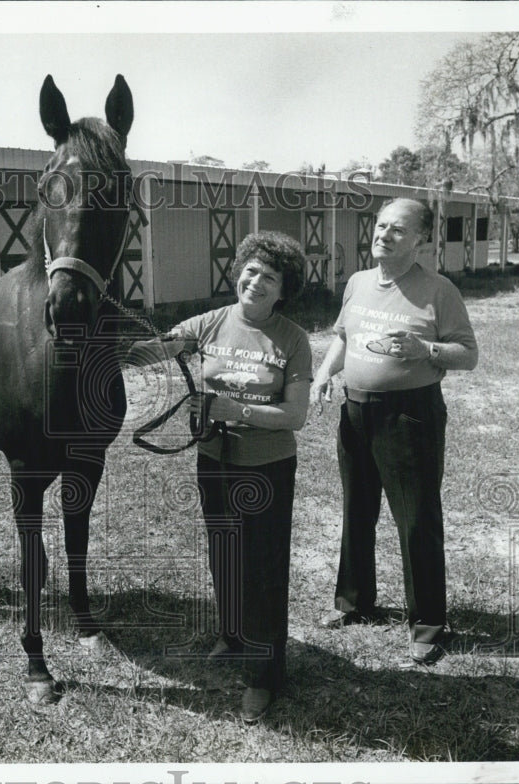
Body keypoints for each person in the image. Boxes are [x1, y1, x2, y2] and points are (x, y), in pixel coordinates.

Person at [128, 231, 312, 722]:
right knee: (224, 556)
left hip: (268, 468)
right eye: (250, 271)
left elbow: (296, 416)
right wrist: (119, 333)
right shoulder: (211, 323)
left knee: (264, 572)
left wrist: (239, 409)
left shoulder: (292, 339)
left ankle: (263, 678)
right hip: (215, 461)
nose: (256, 281)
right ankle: (232, 636)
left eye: (269, 277)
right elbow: (155, 352)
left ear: (283, 289)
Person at [309, 198, 478, 665]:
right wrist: (325, 373)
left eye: (398, 230)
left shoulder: (438, 289)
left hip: (410, 415)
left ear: (420, 239)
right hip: (356, 410)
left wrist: (425, 347)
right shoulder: (359, 282)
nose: (384, 235)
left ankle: (428, 623)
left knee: (416, 517)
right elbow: (343, 336)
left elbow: (468, 354)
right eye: (381, 226)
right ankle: (354, 602)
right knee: (356, 510)